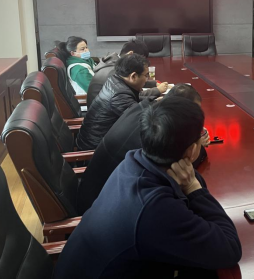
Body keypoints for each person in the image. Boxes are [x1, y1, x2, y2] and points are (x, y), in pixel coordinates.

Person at [54, 97, 242, 279]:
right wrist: (194, 189)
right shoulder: (154, 208)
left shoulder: (133, 161)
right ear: (193, 150)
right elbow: (230, 248)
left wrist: (191, 179)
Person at [77, 84, 211, 214]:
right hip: (98, 203)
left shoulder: (145, 112)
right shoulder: (157, 133)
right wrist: (197, 143)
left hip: (99, 192)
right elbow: (178, 167)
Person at [76, 54, 149, 151]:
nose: (147, 79)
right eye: (146, 75)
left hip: (98, 141)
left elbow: (135, 103)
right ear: (133, 76)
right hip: (96, 150)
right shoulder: (119, 95)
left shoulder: (115, 80)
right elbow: (142, 120)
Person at [86, 39, 169, 108]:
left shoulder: (115, 62)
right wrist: (157, 91)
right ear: (130, 54)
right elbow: (130, 95)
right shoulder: (114, 71)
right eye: (139, 59)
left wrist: (154, 84)